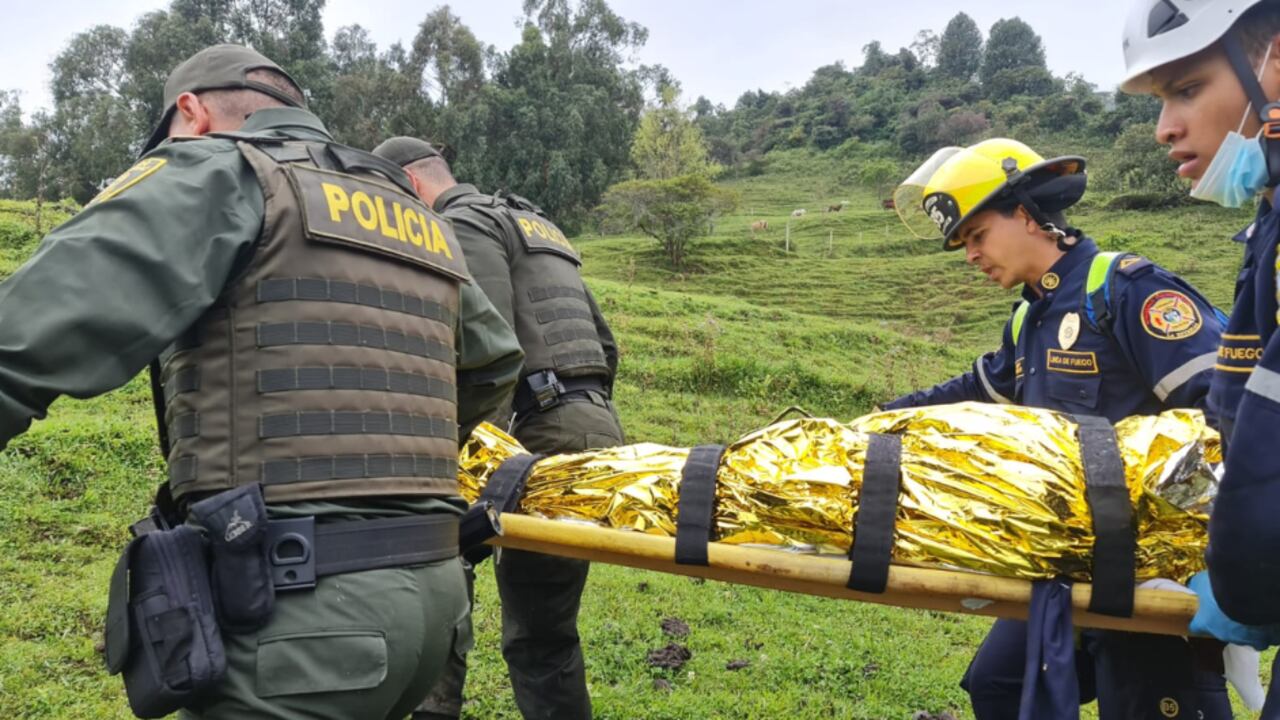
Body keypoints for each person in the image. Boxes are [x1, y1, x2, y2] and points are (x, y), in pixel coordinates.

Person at [0, 45, 523, 719]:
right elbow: (494, 359)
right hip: (432, 602)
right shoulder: (413, 212)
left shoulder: (218, 170)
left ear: (190, 113)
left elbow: (19, 340)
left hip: (300, 619)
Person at [885, 137, 1229, 719]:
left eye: (976, 236)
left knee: (1148, 703)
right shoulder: (1030, 319)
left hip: (1148, 567)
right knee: (997, 684)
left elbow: (1223, 411)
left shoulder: (1124, 290)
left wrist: (1211, 550)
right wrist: (879, 423)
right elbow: (972, 393)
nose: (970, 255)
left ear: (1026, 216)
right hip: (1063, 560)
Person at [372, 136, 624, 720]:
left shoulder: (460, 224)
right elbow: (605, 344)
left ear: (411, 186)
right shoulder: (534, 223)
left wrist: (457, 461)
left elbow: (488, 350)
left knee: (437, 578)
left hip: (528, 436)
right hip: (590, 429)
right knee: (544, 633)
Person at [1119, 0, 1280, 711]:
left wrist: (1245, 574)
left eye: (1186, 89)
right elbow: (1232, 418)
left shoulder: (1123, 290)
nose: (1164, 129)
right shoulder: (1268, 229)